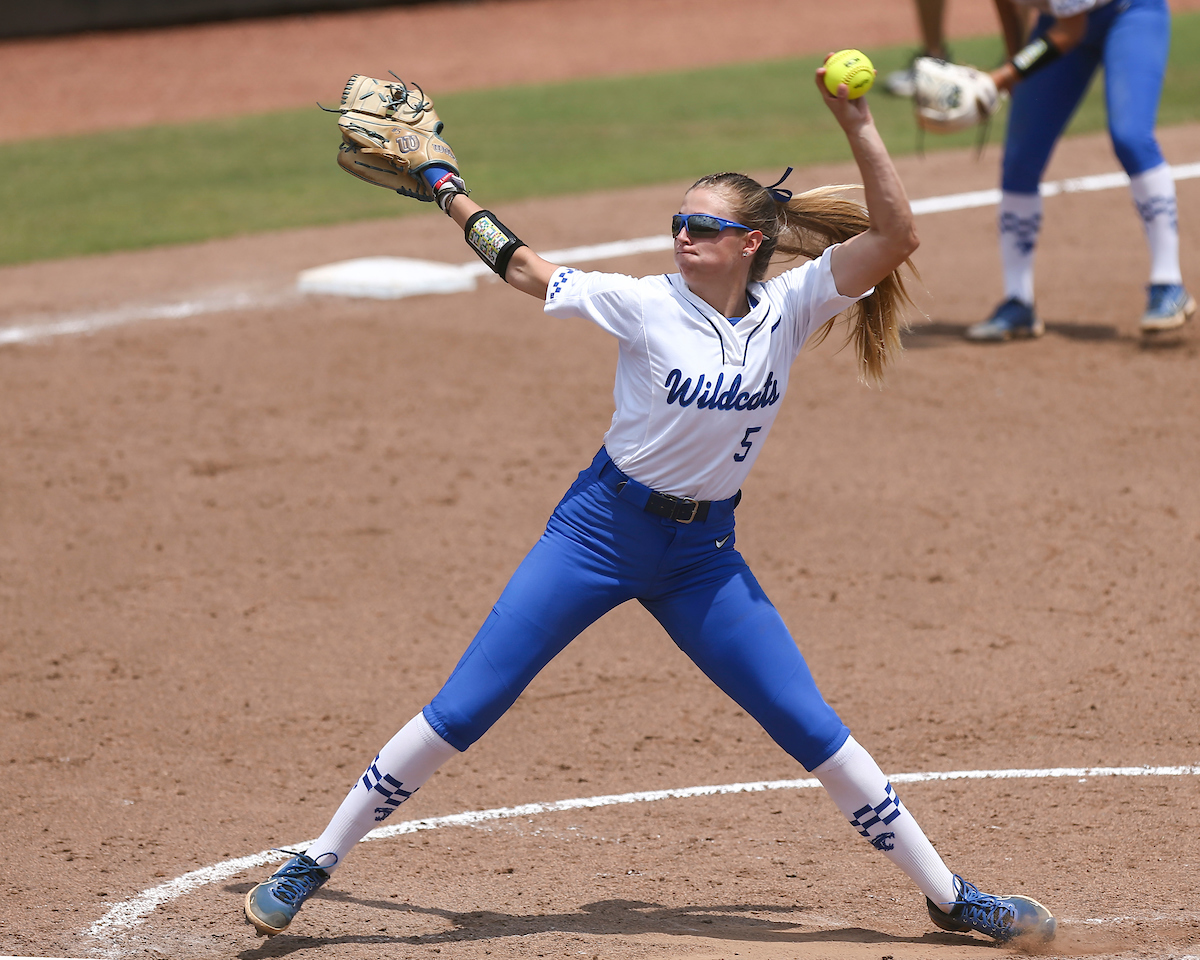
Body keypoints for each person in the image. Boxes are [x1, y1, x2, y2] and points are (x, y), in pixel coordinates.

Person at [240, 62, 1057, 945]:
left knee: (810, 726)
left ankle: (951, 896)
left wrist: (856, 119)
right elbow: (524, 267)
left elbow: (897, 234)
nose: (682, 237)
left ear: (749, 243)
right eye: (678, 223)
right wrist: (444, 185)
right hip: (597, 534)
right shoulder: (642, 304)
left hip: (703, 560)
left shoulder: (792, 305)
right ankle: (313, 862)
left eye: (702, 227)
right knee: (466, 707)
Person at [967, 0, 1194, 339]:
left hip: (1130, 12)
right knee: (1020, 159)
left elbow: (1071, 31)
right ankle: (1018, 302)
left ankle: (1168, 284)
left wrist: (1001, 77)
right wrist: (1016, 66)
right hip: (1059, 21)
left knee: (1131, 137)